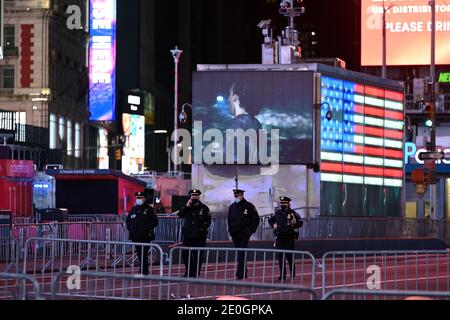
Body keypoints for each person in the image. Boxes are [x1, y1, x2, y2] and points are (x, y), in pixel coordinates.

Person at [178, 189, 212, 278]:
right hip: (188, 235)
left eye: (196, 195)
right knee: (186, 254)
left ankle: (196, 273)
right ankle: (188, 271)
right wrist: (186, 206)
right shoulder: (188, 207)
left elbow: (208, 221)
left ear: (199, 196)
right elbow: (180, 215)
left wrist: (201, 229)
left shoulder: (204, 208)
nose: (194, 197)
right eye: (192, 196)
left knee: (198, 255)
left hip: (199, 236)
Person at [228, 189, 260, 279]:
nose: (236, 197)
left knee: (242, 251)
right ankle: (243, 271)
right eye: (235, 196)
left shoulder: (249, 206)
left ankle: (240, 272)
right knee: (240, 252)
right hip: (235, 233)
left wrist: (250, 231)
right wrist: (230, 231)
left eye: (237, 196)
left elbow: (256, 219)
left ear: (242, 195)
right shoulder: (232, 207)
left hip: (244, 233)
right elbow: (229, 220)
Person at [268, 196, 303, 281]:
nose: (282, 205)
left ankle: (292, 272)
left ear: (288, 204)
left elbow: (300, 222)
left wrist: (293, 225)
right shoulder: (278, 213)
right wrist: (273, 225)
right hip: (279, 237)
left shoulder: (293, 213)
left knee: (289, 255)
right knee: (280, 256)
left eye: (284, 203)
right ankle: (282, 274)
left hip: (289, 237)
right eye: (281, 203)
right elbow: (270, 220)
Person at [126, 192, 159, 275]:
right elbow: (128, 221)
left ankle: (144, 272)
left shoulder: (149, 209)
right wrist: (131, 229)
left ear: (144, 199)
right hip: (136, 236)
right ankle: (143, 271)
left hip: (145, 236)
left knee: (144, 254)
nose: (139, 199)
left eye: (140, 198)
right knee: (140, 254)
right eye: (138, 198)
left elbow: (155, 222)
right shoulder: (133, 209)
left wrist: (145, 228)